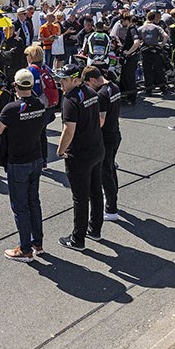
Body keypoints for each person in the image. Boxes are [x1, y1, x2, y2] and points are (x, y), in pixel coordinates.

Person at [0, 68, 46, 261]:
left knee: (20, 206)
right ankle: (37, 243)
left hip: (18, 162)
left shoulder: (12, 108)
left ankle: (25, 249)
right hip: (36, 157)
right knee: (34, 202)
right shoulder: (39, 104)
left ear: (15, 85)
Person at [56, 65, 106, 251]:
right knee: (95, 191)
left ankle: (78, 239)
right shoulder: (91, 92)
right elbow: (99, 119)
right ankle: (95, 229)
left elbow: (68, 130)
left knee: (80, 197)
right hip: (97, 148)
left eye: (64, 80)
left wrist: (60, 150)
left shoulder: (70, 100)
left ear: (76, 80)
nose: (60, 83)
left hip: (80, 155)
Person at [95, 69, 123, 223]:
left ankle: (111, 208)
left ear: (93, 80)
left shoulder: (101, 94)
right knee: (111, 169)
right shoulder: (114, 87)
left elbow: (101, 120)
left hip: (106, 137)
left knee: (106, 173)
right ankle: (112, 199)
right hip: (115, 133)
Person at [137, 11, 169, 95]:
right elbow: (166, 36)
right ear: (154, 18)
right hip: (156, 50)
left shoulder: (141, 28)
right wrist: (162, 44)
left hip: (145, 50)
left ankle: (148, 90)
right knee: (159, 70)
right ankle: (163, 88)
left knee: (147, 71)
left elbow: (137, 40)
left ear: (146, 18)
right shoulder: (157, 27)